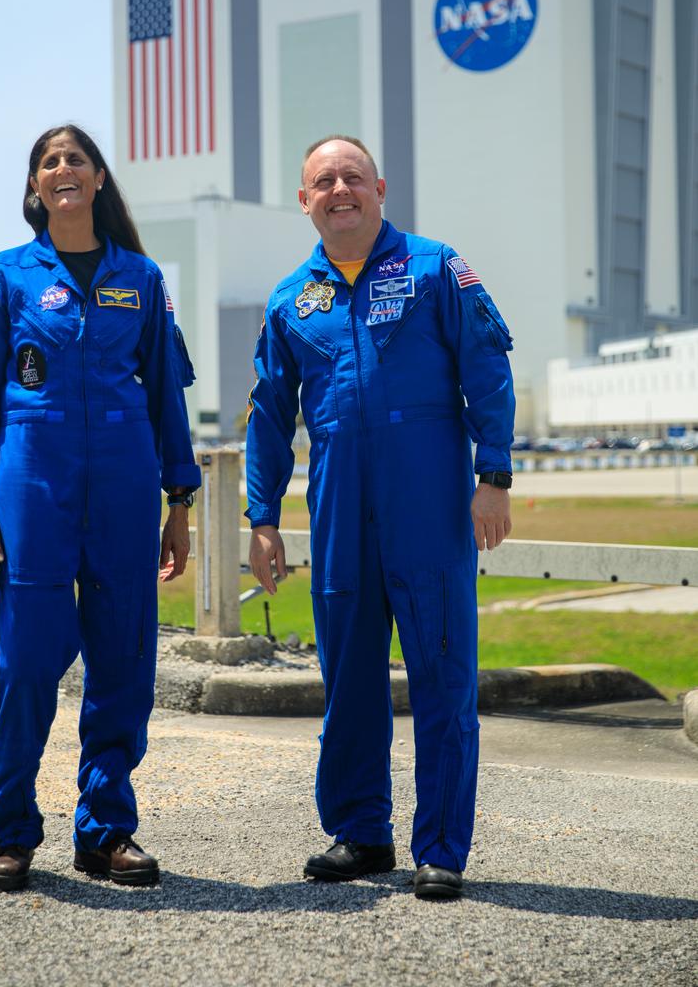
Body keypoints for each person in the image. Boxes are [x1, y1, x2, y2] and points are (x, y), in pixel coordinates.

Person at [246, 136, 514, 900]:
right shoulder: (291, 299)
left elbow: (488, 368)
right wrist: (261, 518)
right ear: (304, 201)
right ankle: (361, 834)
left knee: (441, 673)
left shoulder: (434, 268)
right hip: (337, 509)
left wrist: (491, 475)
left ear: (380, 188)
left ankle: (440, 848)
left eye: (352, 177)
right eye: (323, 181)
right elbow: (268, 417)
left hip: (426, 501)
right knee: (349, 682)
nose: (339, 189)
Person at [0, 124, 200, 892]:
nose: (62, 170)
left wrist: (179, 501)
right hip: (35, 477)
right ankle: (10, 830)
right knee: (26, 660)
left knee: (124, 662)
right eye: (48, 162)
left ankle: (105, 832)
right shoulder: (4, 277)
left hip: (126, 482)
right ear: (36, 188)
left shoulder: (142, 278)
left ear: (97, 180)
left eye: (75, 160)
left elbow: (164, 394)